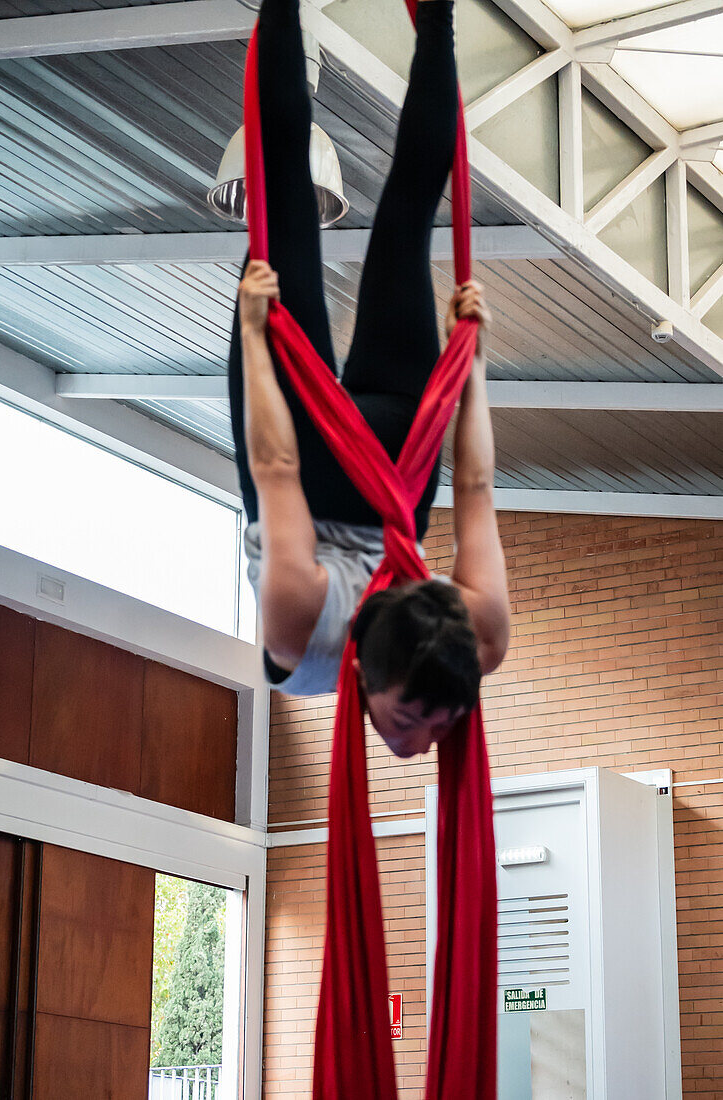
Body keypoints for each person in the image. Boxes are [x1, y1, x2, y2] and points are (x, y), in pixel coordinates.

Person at [228, 0, 510, 757]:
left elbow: (475, 489)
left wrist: (468, 374)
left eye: (410, 719)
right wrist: (468, 364)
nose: (419, 742)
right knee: (311, 194)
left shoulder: (474, 635)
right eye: (436, 721)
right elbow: (274, 467)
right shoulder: (303, 637)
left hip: (362, 471)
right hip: (371, 467)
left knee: (387, 214)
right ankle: (437, 17)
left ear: (374, 676)